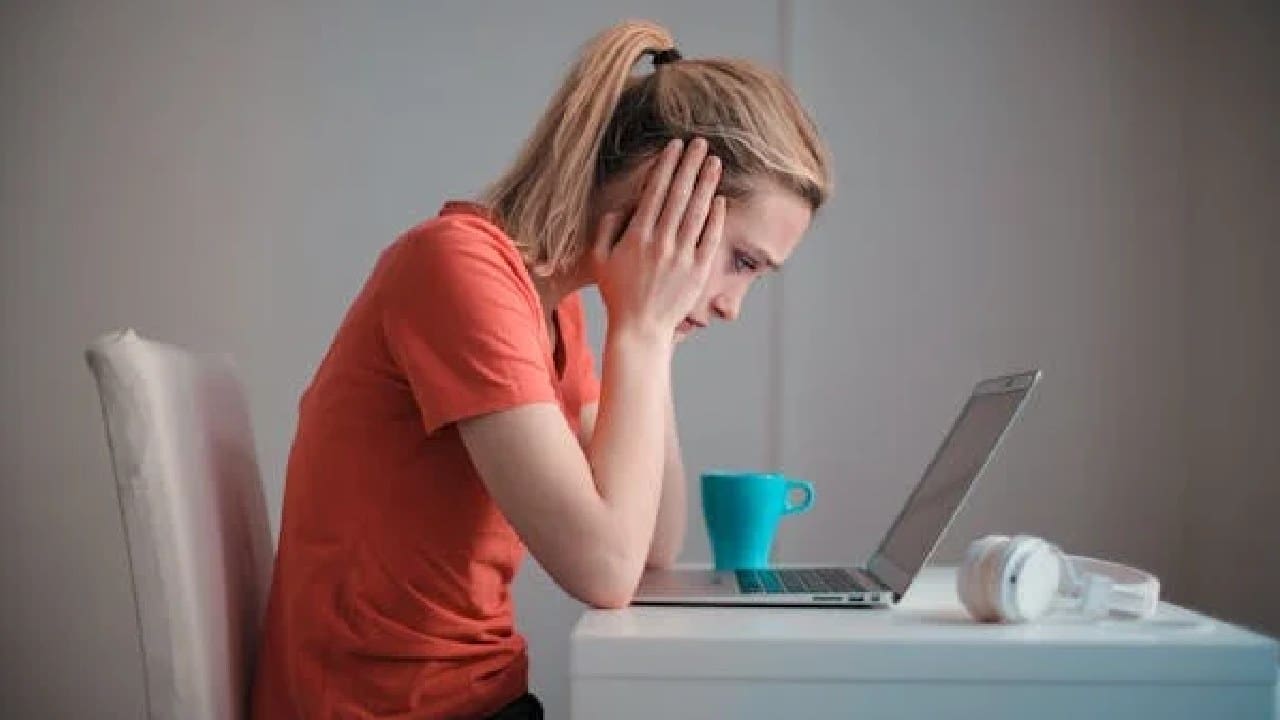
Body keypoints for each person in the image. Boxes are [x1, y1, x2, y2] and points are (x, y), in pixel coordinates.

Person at [251, 18, 831, 720]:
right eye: (742, 261)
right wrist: (644, 332)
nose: (736, 306)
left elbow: (652, 543)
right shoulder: (459, 270)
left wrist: (649, 331)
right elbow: (606, 571)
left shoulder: (555, 310)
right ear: (662, 191)